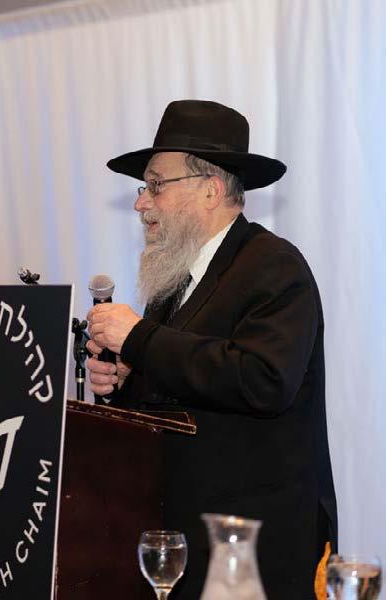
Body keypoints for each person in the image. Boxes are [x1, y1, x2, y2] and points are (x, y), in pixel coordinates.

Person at [86, 100, 337, 599]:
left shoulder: (274, 267)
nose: (141, 203)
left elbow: (263, 380)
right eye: (143, 188)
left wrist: (139, 339)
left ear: (210, 189)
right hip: (182, 544)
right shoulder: (174, 281)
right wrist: (123, 383)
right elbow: (180, 389)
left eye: (156, 185)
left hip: (253, 553)